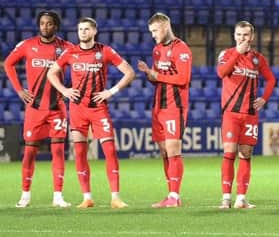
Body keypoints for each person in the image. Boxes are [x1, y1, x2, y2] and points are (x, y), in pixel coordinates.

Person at [47, 17, 134, 209]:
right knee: (79, 152)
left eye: (86, 29)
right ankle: (87, 197)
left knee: (110, 151)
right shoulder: (71, 52)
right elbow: (51, 73)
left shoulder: (105, 51)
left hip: (98, 109)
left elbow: (129, 72)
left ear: (94, 31)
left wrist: (110, 92)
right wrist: (64, 91)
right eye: (80, 29)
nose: (83, 32)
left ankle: (115, 198)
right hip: (77, 109)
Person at [4, 11, 73, 208]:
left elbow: (80, 66)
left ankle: (58, 196)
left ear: (56, 26)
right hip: (34, 108)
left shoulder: (67, 48)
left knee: (58, 151)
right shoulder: (27, 45)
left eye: (49, 23)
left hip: (57, 107)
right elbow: (8, 64)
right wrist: (19, 90)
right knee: (29, 153)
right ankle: (25, 195)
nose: (45, 27)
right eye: (42, 23)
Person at [216, 21, 276, 209]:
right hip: (231, 113)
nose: (242, 38)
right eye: (239, 34)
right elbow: (221, 72)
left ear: (252, 37)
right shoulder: (226, 54)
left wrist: (264, 98)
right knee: (229, 152)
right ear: (234, 36)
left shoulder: (258, 59)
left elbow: (271, 79)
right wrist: (237, 53)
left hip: (250, 114)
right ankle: (226, 198)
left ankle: (241, 198)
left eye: (245, 35)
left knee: (246, 154)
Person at [137, 13, 192, 208]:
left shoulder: (181, 49)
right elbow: (157, 78)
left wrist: (156, 74)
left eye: (155, 30)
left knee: (173, 150)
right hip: (158, 106)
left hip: (174, 106)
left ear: (166, 26)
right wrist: (148, 74)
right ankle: (171, 195)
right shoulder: (157, 50)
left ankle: (175, 196)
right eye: (151, 31)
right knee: (163, 152)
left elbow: (183, 79)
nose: (153, 35)